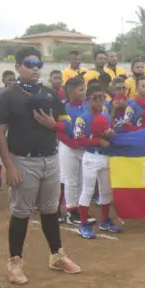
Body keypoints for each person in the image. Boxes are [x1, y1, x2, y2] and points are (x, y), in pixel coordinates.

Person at [0, 47, 82, 285]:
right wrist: (9, 166)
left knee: (50, 210)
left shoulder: (51, 94)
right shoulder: (7, 96)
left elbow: (69, 127)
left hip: (51, 158)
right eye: (29, 64)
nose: (35, 68)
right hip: (23, 160)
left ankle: (57, 255)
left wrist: (54, 126)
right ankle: (15, 262)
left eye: (38, 64)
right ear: (18, 67)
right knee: (21, 213)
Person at [74, 84, 122, 239]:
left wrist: (110, 134)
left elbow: (109, 133)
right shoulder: (83, 117)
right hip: (91, 156)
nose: (100, 101)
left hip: (104, 156)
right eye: (95, 98)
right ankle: (83, 223)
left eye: (102, 97)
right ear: (88, 99)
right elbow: (78, 140)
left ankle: (105, 220)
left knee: (106, 190)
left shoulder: (106, 115)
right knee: (88, 190)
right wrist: (98, 141)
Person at [57, 76, 96, 225]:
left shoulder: (88, 106)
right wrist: (72, 143)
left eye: (84, 88)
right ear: (71, 91)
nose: (84, 91)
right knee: (70, 180)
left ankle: (80, 210)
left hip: (84, 147)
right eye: (81, 89)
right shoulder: (63, 107)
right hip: (69, 147)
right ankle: (71, 212)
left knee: (82, 180)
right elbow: (59, 131)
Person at [0, 70, 16, 189]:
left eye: (14, 80)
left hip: (15, 128)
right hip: (3, 128)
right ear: (3, 81)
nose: (12, 82)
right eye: (9, 80)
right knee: (0, 153)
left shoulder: (18, 94)